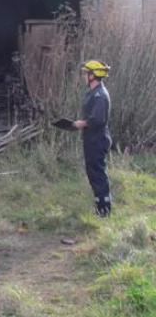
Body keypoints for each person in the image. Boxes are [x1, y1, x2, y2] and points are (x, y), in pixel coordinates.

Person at [73, 60, 112, 217]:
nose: (84, 76)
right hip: (91, 139)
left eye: (86, 73)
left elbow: (97, 120)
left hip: (98, 140)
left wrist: (80, 124)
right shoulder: (92, 92)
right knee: (93, 173)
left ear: (93, 75)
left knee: (98, 174)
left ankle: (104, 209)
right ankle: (99, 206)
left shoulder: (100, 95)